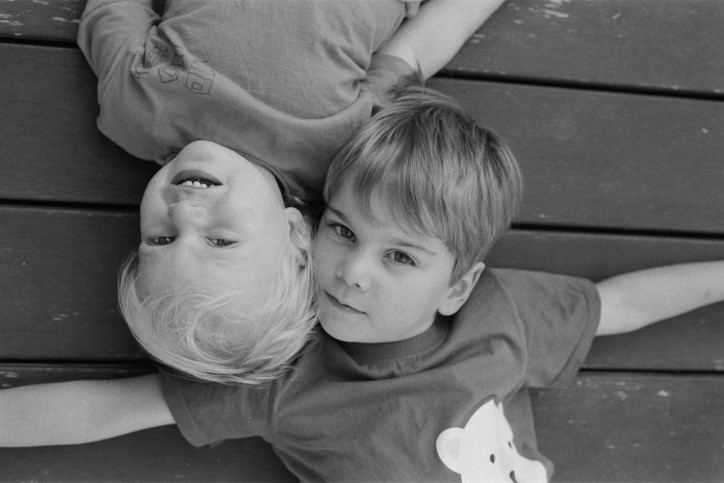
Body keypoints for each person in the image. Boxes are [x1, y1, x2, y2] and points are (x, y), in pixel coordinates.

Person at [2, 87, 724, 480]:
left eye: (400, 257)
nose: (351, 271)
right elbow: (105, 410)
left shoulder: (502, 312)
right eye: (342, 230)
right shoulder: (284, 371)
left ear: (456, 285)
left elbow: (619, 304)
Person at [77, 0, 507, 383]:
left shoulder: (132, 109)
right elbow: (411, 54)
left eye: (161, 239)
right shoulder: (347, 154)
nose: (184, 214)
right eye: (220, 241)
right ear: (297, 237)